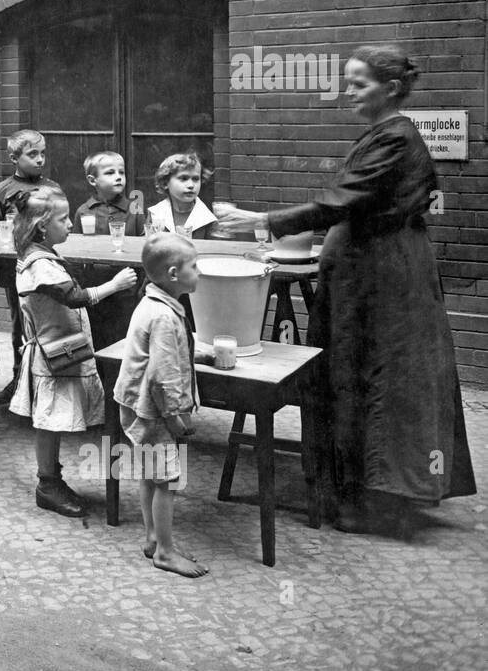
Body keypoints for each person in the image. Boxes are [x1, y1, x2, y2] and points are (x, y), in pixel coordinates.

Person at [215, 45, 477, 534]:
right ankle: (371, 489)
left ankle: (369, 497)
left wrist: (263, 221)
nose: (349, 91)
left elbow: (341, 201)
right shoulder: (386, 134)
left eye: (360, 83)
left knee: (368, 377)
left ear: (391, 89)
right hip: (373, 275)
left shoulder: (396, 138)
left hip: (382, 283)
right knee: (363, 376)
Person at [8, 188, 136, 516]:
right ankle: (47, 483)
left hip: (62, 350)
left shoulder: (42, 253)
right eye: (63, 219)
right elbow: (74, 296)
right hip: (52, 356)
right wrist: (115, 285)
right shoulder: (39, 264)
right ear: (41, 227)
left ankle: (52, 478)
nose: (70, 225)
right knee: (49, 421)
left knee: (53, 419)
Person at [112, 233, 209, 578]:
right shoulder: (165, 317)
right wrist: (176, 417)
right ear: (172, 274)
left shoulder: (153, 304)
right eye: (194, 266)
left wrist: (197, 352)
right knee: (168, 480)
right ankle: (165, 553)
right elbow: (162, 377)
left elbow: (162, 353)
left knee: (150, 474)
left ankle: (154, 538)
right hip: (155, 411)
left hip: (137, 406)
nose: (199, 272)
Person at [0, 130, 63, 406]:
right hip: (16, 274)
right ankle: (19, 378)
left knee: (50, 325)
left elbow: (63, 231)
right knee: (19, 328)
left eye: (42, 154)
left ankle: (49, 380)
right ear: (14, 158)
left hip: (48, 270)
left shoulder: (52, 189)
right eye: (32, 154)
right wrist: (5, 276)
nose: (40, 159)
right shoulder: (1, 192)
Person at [71, 150, 146, 349]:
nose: (118, 176)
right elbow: (75, 255)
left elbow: (144, 251)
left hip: (128, 290)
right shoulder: (83, 211)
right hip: (97, 288)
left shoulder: (134, 210)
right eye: (110, 172)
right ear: (92, 180)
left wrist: (139, 290)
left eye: (121, 172)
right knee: (98, 340)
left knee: (125, 340)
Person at [148, 152, 217, 239]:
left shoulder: (207, 219)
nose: (191, 185)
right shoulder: (156, 213)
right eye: (184, 178)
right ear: (165, 183)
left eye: (195, 179)